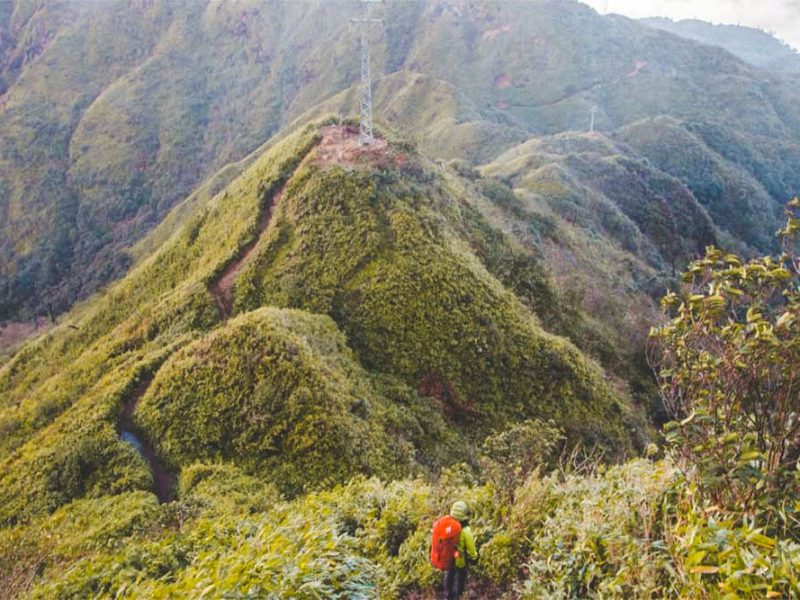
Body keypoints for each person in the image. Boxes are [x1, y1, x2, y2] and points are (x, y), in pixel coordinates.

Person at [444, 501, 477, 599]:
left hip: (448, 561)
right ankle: (458, 597)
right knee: (460, 583)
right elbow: (471, 549)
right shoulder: (465, 530)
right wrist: (474, 558)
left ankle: (448, 597)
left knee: (449, 580)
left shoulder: (447, 526)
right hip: (460, 562)